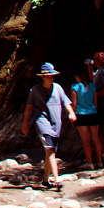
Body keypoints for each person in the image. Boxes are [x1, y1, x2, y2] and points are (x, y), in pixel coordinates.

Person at [22, 62, 76, 190]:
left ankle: (45, 180)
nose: (51, 78)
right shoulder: (35, 91)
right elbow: (29, 108)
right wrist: (25, 124)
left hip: (56, 124)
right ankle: (57, 179)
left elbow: (65, 102)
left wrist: (72, 113)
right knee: (50, 150)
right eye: (48, 76)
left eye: (52, 75)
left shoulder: (58, 88)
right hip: (42, 123)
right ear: (43, 77)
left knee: (50, 152)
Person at [71, 66, 102, 170]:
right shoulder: (93, 87)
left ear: (77, 77)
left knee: (86, 140)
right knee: (96, 138)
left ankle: (90, 162)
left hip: (81, 114)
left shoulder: (75, 88)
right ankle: (100, 161)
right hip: (93, 113)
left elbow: (74, 104)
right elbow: (96, 103)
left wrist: (72, 115)